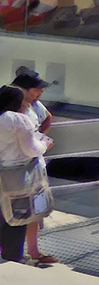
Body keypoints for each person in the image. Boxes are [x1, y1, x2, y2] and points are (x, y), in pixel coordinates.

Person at [0, 85, 51, 264]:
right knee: (17, 215)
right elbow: (31, 149)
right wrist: (45, 145)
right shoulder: (19, 120)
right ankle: (13, 256)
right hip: (17, 174)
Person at [11, 71, 55, 265]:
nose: (41, 92)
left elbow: (48, 117)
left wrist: (40, 137)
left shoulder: (35, 105)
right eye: (37, 89)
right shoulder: (11, 106)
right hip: (15, 166)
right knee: (13, 210)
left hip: (34, 162)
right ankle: (14, 251)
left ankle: (33, 251)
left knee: (35, 209)